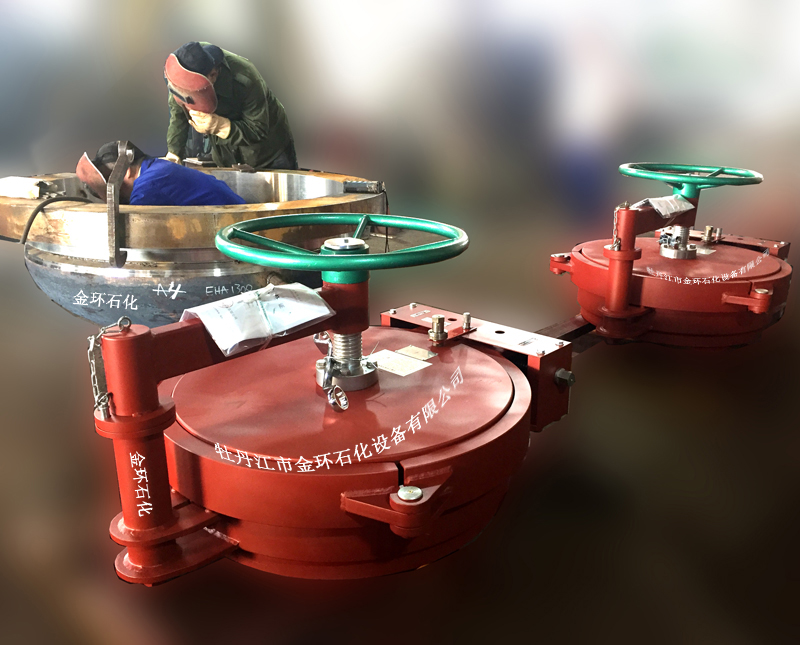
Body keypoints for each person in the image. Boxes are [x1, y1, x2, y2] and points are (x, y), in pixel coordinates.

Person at [164, 41, 297, 170]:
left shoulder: (246, 78)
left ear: (213, 75)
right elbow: (178, 113)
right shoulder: (183, 71)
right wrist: (174, 153)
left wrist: (220, 126)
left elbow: (258, 129)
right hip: (227, 156)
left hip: (269, 153)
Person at [75, 141, 246, 206]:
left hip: (234, 235)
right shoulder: (156, 168)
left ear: (126, 171)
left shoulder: (147, 187)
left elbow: (133, 230)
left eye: (109, 180)